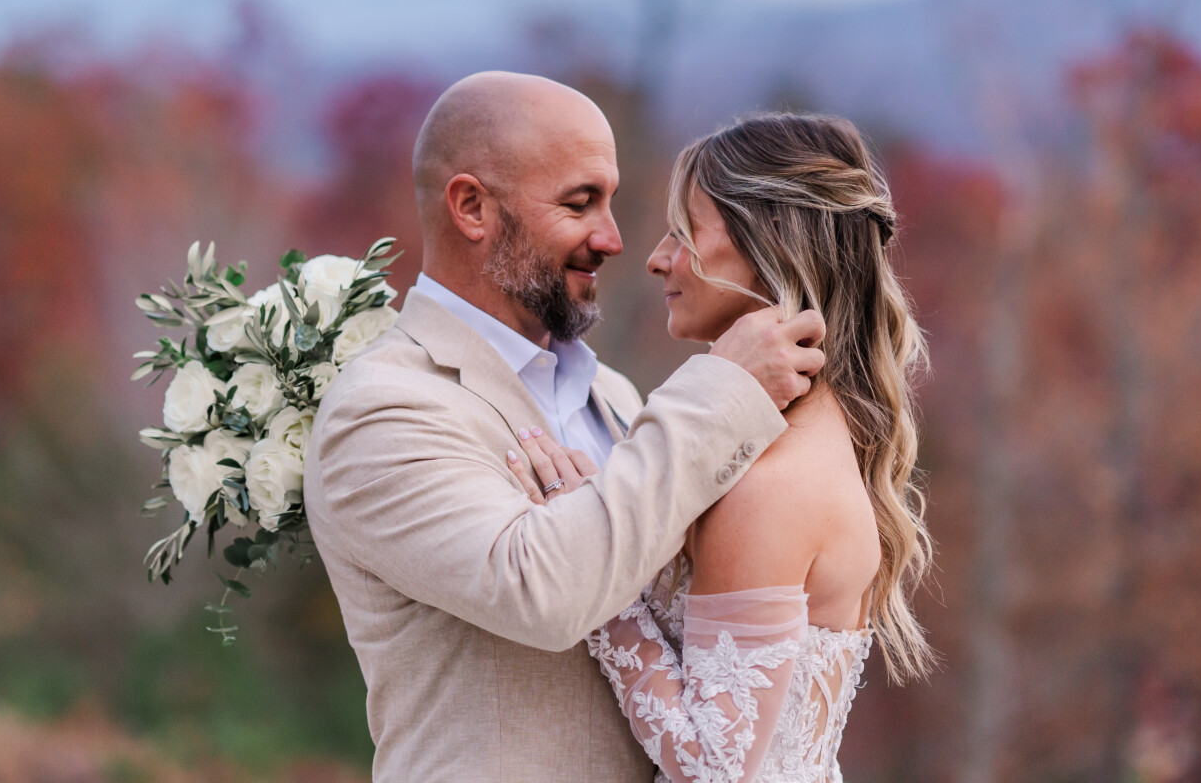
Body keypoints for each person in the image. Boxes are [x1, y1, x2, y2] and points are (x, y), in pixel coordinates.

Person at [303, 72, 827, 783]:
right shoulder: (383, 410)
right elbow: (544, 595)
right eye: (580, 203)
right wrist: (725, 391)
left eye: (609, 202)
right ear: (472, 207)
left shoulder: (611, 393)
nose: (613, 239)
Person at [508, 113, 934, 783]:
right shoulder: (814, 433)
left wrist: (596, 579)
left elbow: (714, 762)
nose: (656, 258)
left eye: (686, 233)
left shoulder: (771, 484)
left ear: (770, 251)